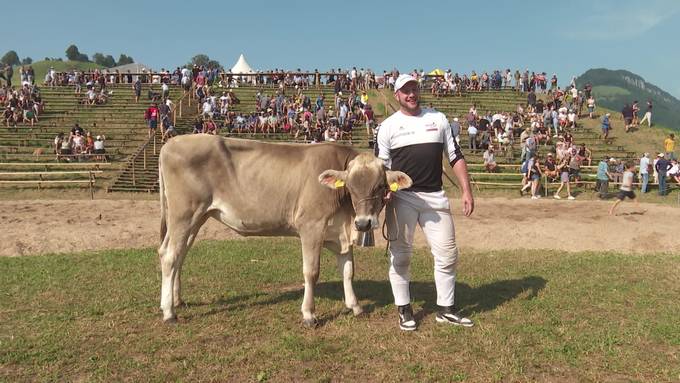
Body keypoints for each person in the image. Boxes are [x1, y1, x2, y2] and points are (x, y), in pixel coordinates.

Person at [376, 74, 474, 331]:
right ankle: (404, 309)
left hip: (435, 196)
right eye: (405, 91)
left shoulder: (438, 119)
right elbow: (381, 166)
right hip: (402, 198)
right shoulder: (387, 127)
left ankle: (446, 308)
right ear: (396, 95)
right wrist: (384, 191)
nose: (411, 94)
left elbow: (455, 156)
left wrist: (466, 190)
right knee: (401, 256)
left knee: (447, 254)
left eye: (414, 89)